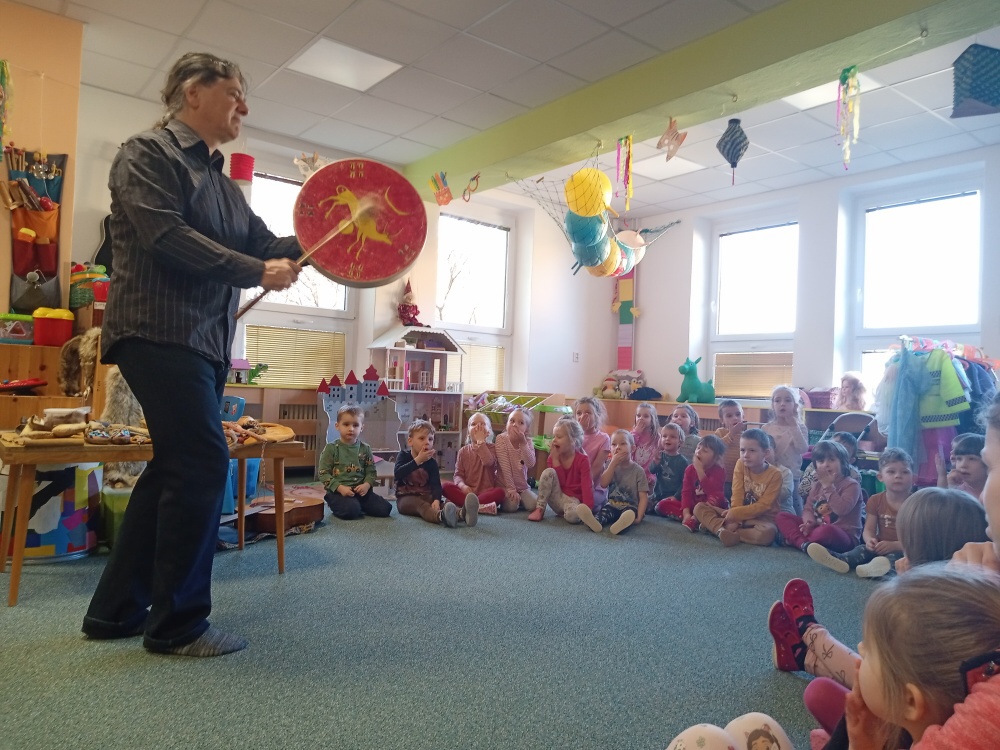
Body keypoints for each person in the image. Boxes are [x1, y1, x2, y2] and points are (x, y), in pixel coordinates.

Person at [81, 53, 303, 657]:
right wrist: (257, 270)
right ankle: (178, 626)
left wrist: (330, 233)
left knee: (174, 467)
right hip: (156, 332)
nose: (244, 106)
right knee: (203, 461)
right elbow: (167, 237)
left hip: (202, 344)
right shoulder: (146, 154)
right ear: (191, 92)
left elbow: (266, 244)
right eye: (233, 92)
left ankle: (114, 612)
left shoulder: (225, 187)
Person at [768, 493, 988, 744]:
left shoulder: (920, 624)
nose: (902, 558)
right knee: (819, 692)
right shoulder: (975, 615)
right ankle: (801, 655)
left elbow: (887, 674)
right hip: (899, 706)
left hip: (895, 713)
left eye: (907, 548)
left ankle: (808, 631)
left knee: (839, 687)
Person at [701, 565, 1000, 750]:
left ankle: (807, 637)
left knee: (707, 739)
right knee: (805, 698)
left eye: (868, 651)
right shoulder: (903, 723)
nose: (858, 651)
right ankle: (805, 641)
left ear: (910, 702)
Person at [807, 448, 914, 577]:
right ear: (880, 477)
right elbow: (868, 529)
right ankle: (841, 560)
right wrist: (870, 541)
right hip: (880, 545)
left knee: (900, 560)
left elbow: (919, 540)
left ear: (913, 477)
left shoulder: (917, 503)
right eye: (891, 472)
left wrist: (894, 545)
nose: (898, 476)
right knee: (860, 550)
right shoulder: (875, 500)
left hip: (905, 548)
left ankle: (876, 568)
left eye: (905, 472)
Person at [694, 428, 782, 547]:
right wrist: (735, 518)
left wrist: (735, 515)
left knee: (768, 534)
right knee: (699, 507)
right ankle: (721, 531)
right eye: (742, 450)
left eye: (752, 450)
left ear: (765, 453)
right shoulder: (740, 464)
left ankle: (718, 529)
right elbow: (737, 494)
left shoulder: (775, 475)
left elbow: (764, 506)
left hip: (760, 520)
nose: (746, 455)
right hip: (736, 513)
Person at [775, 440, 863, 556]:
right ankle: (805, 544)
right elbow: (808, 509)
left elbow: (841, 510)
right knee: (782, 516)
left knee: (826, 530)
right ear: (815, 466)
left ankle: (797, 540)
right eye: (821, 461)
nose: (826, 464)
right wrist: (809, 522)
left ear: (843, 463)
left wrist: (828, 486)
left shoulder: (851, 485)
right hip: (816, 528)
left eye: (832, 460)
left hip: (843, 536)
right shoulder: (816, 485)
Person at [395, 420, 475, 528]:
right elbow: (398, 474)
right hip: (406, 498)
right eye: (422, 438)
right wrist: (418, 460)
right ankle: (441, 517)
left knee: (442, 505)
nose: (427, 442)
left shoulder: (432, 463)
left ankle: (463, 514)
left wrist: (436, 500)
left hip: (427, 496)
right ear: (410, 441)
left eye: (430, 439)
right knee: (422, 506)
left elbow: (436, 485)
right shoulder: (403, 456)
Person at [318, 405, 392, 521]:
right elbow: (323, 473)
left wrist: (366, 485)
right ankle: (343, 504)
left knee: (386, 509)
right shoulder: (331, 448)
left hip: (361, 492)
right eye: (346, 424)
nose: (351, 429)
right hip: (338, 492)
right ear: (337, 426)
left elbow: (371, 472)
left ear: (362, 427)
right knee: (351, 511)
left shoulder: (365, 448)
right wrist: (340, 488)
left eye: (355, 425)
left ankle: (357, 504)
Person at [577, 430, 648, 535]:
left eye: (623, 444)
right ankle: (595, 522)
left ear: (632, 449)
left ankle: (621, 525)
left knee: (628, 514)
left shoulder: (639, 471)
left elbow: (643, 497)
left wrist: (639, 517)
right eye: (614, 444)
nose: (617, 447)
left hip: (630, 507)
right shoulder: (610, 465)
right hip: (612, 504)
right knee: (604, 512)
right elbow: (603, 484)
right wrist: (613, 465)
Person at [528, 416, 594, 524]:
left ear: (573, 440)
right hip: (557, 497)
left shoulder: (583, 460)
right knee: (548, 472)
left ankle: (572, 514)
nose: (554, 440)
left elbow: (587, 486)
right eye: (554, 436)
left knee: (573, 516)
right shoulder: (553, 457)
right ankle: (539, 509)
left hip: (573, 501)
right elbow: (561, 481)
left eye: (558, 437)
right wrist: (555, 459)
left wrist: (588, 509)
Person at [658, 434, 726, 532]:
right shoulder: (690, 469)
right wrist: (686, 513)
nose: (699, 451)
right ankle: (697, 520)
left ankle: (697, 519)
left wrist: (699, 470)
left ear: (716, 458)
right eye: (698, 448)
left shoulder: (719, 470)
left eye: (705, 450)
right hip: (693, 505)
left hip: (709, 506)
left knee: (715, 497)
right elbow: (686, 492)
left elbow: (712, 491)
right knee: (662, 505)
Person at [441, 412, 501, 518]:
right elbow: (458, 475)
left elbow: (488, 462)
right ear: (468, 432)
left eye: (482, 424)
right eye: (473, 424)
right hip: (467, 493)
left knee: (500, 492)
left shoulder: (493, 448)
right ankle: (479, 507)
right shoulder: (463, 451)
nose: (478, 427)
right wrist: (463, 486)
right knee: (444, 486)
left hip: (486, 492)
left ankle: (467, 506)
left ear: (489, 431)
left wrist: (481, 442)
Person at [763, 385, 809, 515]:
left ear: (795, 405)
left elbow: (803, 448)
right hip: (770, 474)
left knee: (795, 507)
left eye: (788, 400)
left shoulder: (800, 427)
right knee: (773, 504)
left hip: (792, 475)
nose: (782, 404)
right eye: (777, 400)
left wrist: (794, 426)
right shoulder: (767, 428)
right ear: (773, 405)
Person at [798, 431, 863, 503]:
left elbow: (847, 501)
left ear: (850, 460)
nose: (834, 451)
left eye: (843, 450)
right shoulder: (814, 466)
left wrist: (828, 485)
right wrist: (813, 478)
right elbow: (802, 492)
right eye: (833, 445)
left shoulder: (854, 475)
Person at [494, 407, 537, 513]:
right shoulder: (501, 439)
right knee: (511, 507)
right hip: (504, 485)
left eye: (520, 423)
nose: (515, 425)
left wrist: (523, 443)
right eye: (512, 421)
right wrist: (511, 489)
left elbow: (531, 463)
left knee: (534, 504)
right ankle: (517, 500)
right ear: (507, 424)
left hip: (522, 487)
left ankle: (520, 499)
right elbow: (505, 467)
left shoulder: (528, 442)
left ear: (526, 430)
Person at [574, 396, 611, 513]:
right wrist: (578, 433)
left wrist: (582, 489)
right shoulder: (573, 436)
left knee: (589, 501)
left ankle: (597, 505)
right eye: (579, 413)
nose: (582, 416)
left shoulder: (604, 438)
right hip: (573, 482)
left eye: (588, 413)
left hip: (593, 485)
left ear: (597, 416)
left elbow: (596, 469)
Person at [937, 432, 987, 501]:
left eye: (972, 459)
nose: (963, 465)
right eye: (959, 459)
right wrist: (948, 486)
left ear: (987, 462)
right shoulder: (957, 490)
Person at [649, 422, 688, 509]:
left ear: (680, 442)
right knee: (641, 503)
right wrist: (656, 461)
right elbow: (652, 470)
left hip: (672, 497)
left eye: (672, 437)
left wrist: (676, 497)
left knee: (660, 507)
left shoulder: (682, 462)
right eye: (664, 436)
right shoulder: (660, 455)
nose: (667, 439)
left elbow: (685, 483)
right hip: (657, 495)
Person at [713, 399, 745, 500]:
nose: (735, 418)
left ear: (743, 416)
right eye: (729, 416)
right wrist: (731, 434)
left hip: (740, 478)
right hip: (723, 478)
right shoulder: (720, 432)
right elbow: (716, 448)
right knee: (722, 501)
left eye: (738, 414)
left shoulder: (746, 436)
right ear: (722, 420)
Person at [631, 402, 660, 489]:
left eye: (646, 416)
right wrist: (636, 433)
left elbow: (658, 460)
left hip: (649, 476)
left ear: (652, 419)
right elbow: (628, 449)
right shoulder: (631, 435)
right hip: (632, 474)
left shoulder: (657, 438)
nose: (641, 418)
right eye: (638, 415)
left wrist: (651, 476)